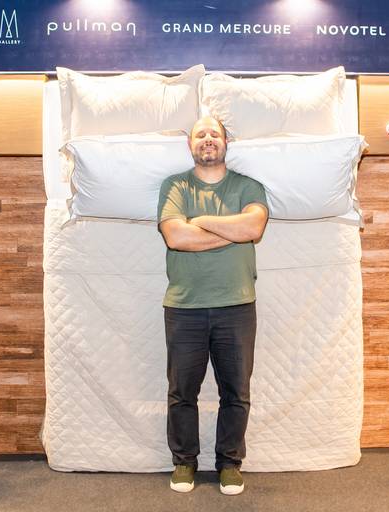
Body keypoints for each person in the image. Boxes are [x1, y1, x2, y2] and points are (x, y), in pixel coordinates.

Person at [157, 116, 269, 495]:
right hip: (184, 307)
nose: (208, 139)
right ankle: (184, 461)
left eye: (215, 134)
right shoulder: (175, 186)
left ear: (226, 142)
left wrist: (202, 221)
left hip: (236, 305)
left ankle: (229, 463)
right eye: (200, 134)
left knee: (236, 391)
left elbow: (253, 228)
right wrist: (231, 231)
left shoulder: (248, 186)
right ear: (190, 144)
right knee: (181, 392)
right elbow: (176, 237)